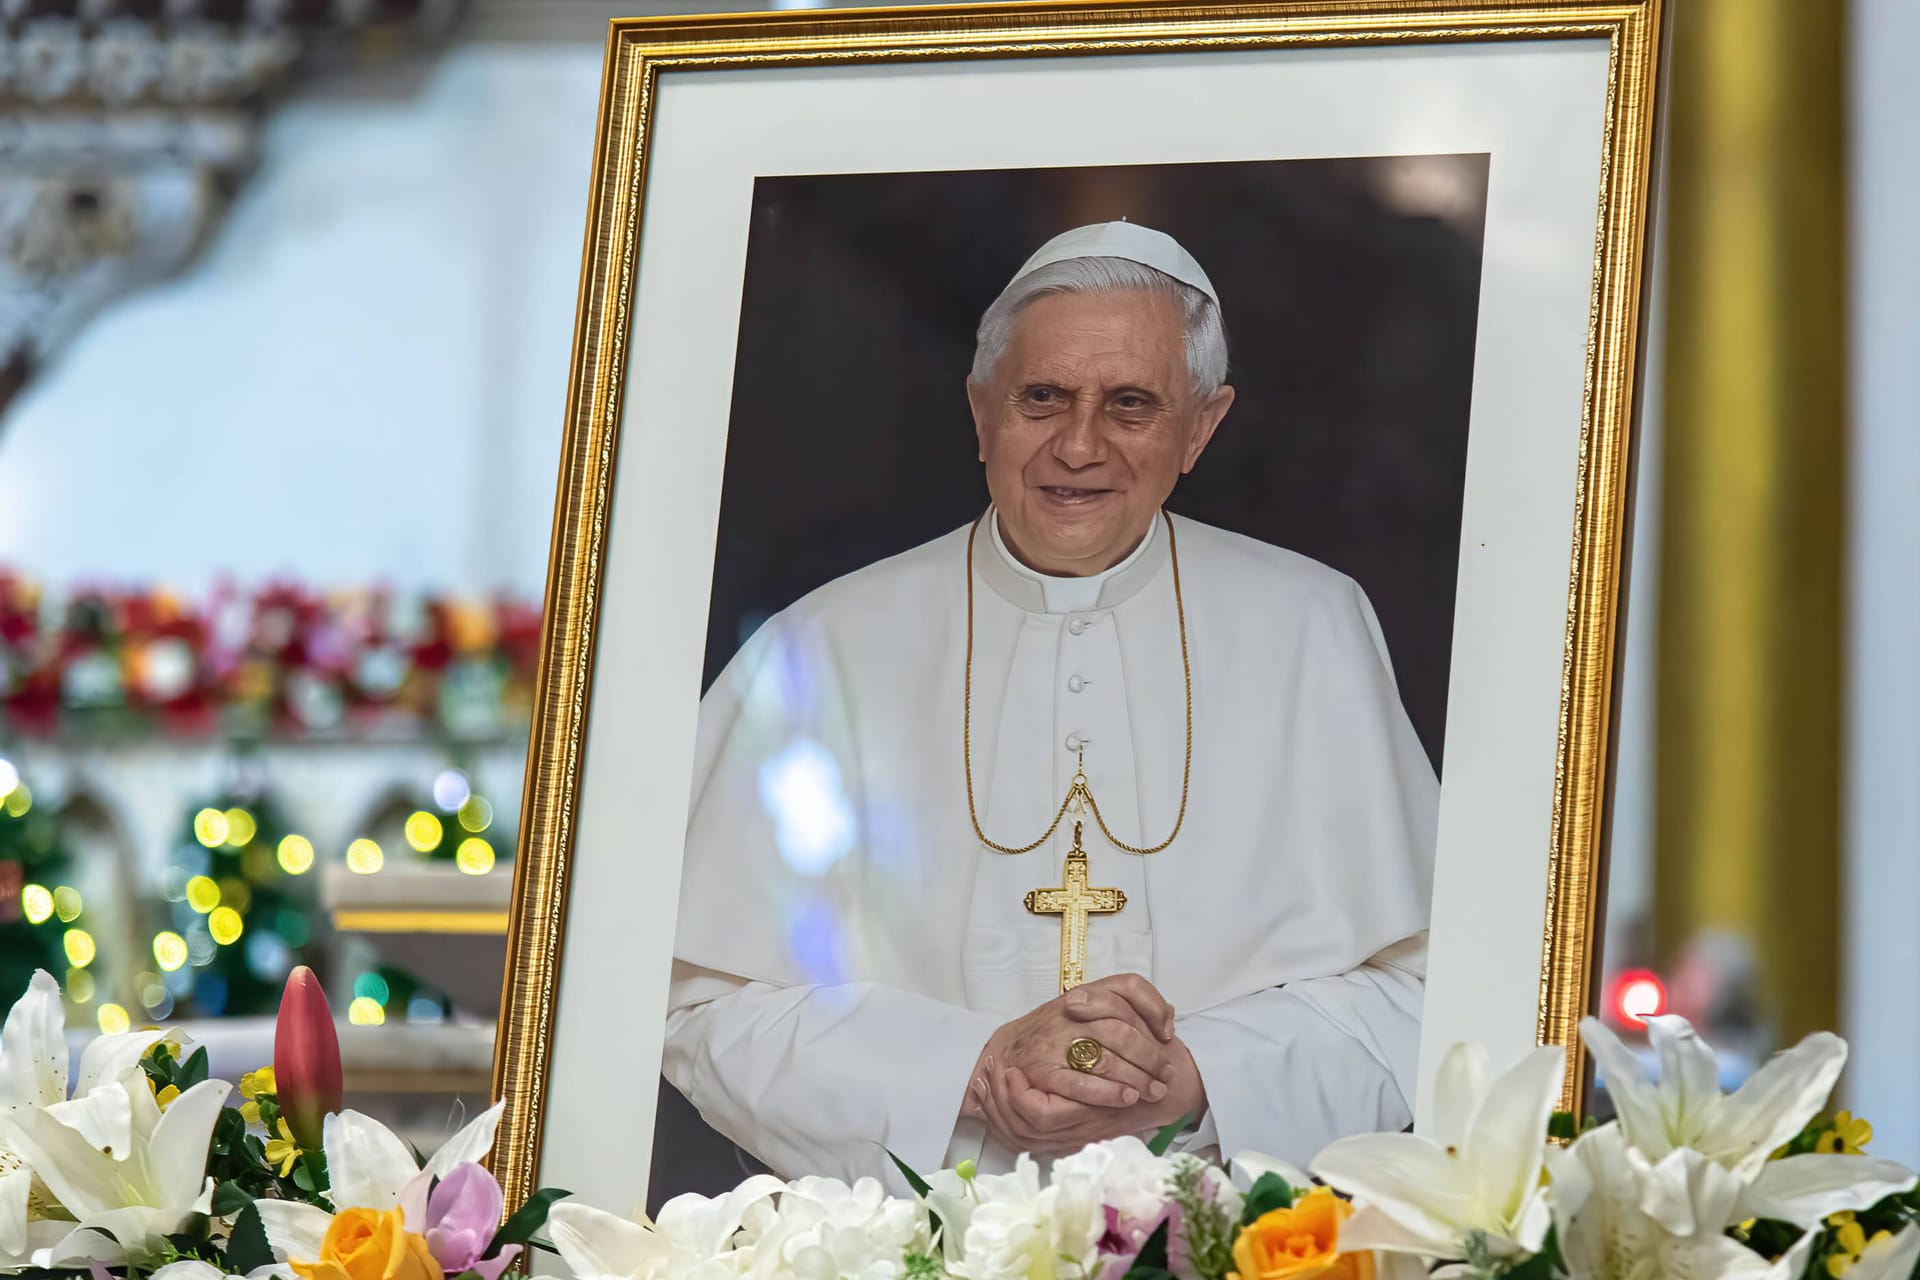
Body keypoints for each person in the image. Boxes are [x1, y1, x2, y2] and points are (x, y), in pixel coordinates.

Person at [662, 221, 1437, 1187]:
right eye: (1042, 398)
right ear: (982, 410)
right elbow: (701, 1002)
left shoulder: (1312, 627)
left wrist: (1202, 1073)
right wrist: (969, 1069)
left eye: (1130, 405)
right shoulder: (826, 646)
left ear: (1200, 427)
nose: (1079, 445)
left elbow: (1426, 992)